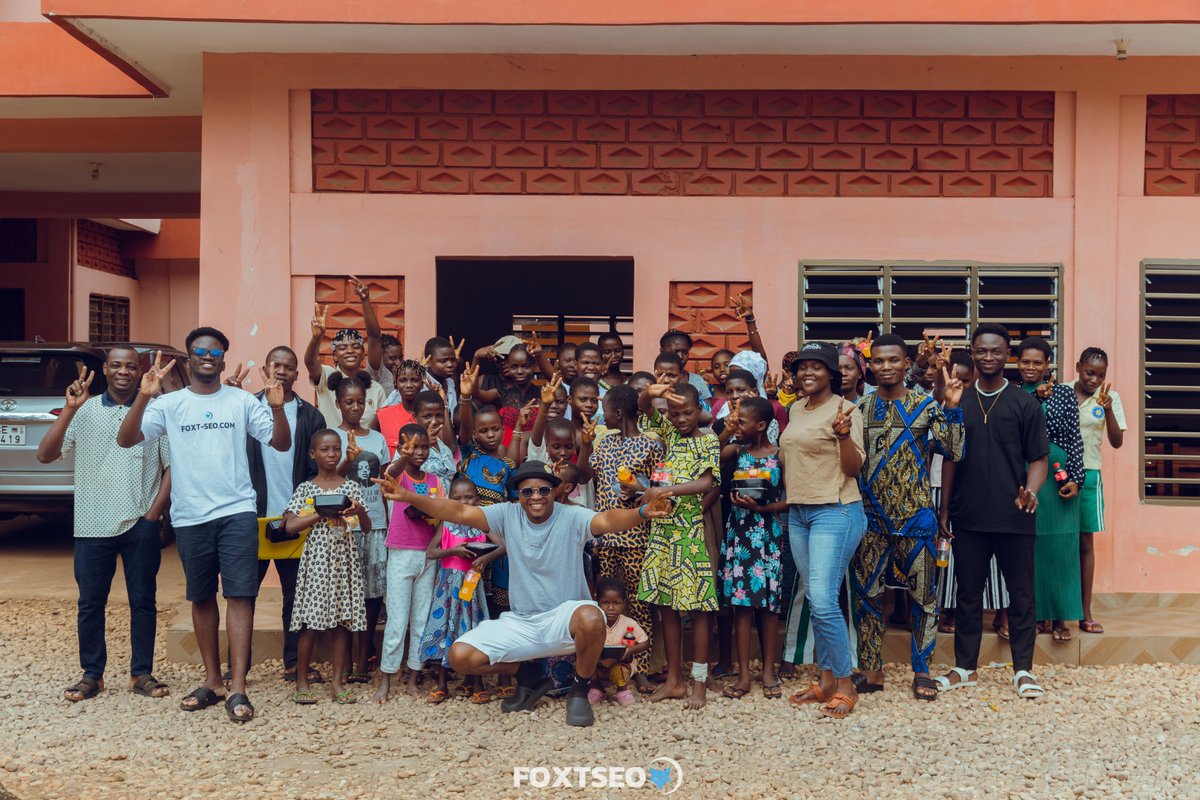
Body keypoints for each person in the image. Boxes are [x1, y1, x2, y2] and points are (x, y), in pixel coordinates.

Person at [375, 460, 674, 727]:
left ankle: (579, 691)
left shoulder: (573, 517)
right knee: (460, 655)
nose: (535, 498)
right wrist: (408, 496)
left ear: (555, 492)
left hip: (564, 618)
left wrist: (644, 511)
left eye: (543, 491)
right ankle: (529, 676)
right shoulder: (506, 514)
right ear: (517, 494)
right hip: (521, 622)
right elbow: (459, 510)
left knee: (590, 616)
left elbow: (609, 521)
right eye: (527, 492)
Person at [117, 327, 292, 723]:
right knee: (200, 597)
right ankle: (213, 681)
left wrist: (277, 408)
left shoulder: (242, 402)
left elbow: (280, 444)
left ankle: (238, 687)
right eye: (200, 350)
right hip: (191, 514)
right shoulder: (170, 404)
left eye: (215, 352)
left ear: (224, 361)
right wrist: (143, 396)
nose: (208, 356)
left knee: (240, 595)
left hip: (237, 512)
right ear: (189, 358)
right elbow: (127, 440)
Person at [38, 347, 172, 703]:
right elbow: (45, 455)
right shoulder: (85, 411)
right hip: (91, 523)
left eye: (131, 366)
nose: (124, 372)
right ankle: (92, 675)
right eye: (116, 365)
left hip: (139, 523)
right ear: (105, 370)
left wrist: (154, 514)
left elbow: (173, 466)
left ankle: (141, 673)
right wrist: (69, 410)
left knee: (143, 601)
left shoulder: (155, 412)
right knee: (90, 603)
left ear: (140, 370)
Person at [851, 334, 965, 701]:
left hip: (917, 519)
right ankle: (872, 670)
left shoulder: (926, 405)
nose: (886, 367)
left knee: (924, 598)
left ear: (905, 364)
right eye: (879, 361)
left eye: (893, 360)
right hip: (871, 519)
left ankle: (922, 670)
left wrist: (951, 408)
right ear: (871, 365)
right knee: (868, 598)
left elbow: (954, 450)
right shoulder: (860, 409)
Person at [938, 323, 1049, 699]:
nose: (988, 357)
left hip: (1014, 516)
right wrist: (944, 509)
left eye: (996, 351)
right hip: (968, 515)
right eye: (981, 351)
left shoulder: (1024, 403)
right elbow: (951, 458)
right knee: (968, 594)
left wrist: (1031, 491)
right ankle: (965, 667)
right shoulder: (959, 401)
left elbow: (1039, 458)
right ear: (972, 352)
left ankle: (1023, 671)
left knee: (1021, 595)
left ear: (1008, 356)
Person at [779, 341, 866, 720]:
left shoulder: (846, 410)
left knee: (824, 598)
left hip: (836, 510)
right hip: (799, 513)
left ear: (832, 374)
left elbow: (854, 469)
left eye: (816, 367)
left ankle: (847, 685)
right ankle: (827, 680)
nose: (807, 373)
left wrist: (844, 436)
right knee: (817, 599)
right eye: (802, 367)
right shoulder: (796, 408)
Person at [238, 345, 326, 683]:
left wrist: (299, 508)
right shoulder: (247, 407)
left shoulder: (310, 416)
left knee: (295, 594)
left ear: (296, 374)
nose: (282, 371)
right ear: (265, 367)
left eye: (289, 367)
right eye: (276, 365)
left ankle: (293, 663)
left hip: (294, 520)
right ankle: (240, 666)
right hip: (251, 517)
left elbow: (312, 470)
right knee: (245, 593)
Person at [637, 380, 721, 710]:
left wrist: (665, 492)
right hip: (662, 531)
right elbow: (642, 408)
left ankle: (698, 682)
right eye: (674, 413)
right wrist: (651, 394)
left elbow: (706, 482)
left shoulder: (709, 440)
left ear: (699, 409)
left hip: (690, 532)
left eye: (687, 412)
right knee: (665, 605)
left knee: (699, 608)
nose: (681, 418)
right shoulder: (670, 433)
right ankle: (674, 681)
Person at [582, 384, 664, 690]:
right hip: (606, 539)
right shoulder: (602, 445)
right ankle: (604, 667)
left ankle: (639, 667)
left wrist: (640, 490)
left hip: (637, 537)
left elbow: (661, 488)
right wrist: (586, 445)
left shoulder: (651, 446)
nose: (602, 415)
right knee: (607, 606)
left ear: (618, 412)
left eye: (605, 409)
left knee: (638, 603)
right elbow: (583, 475)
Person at [282, 429, 371, 705]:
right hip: (317, 562)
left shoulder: (351, 487)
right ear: (313, 454)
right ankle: (302, 682)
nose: (331, 454)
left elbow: (365, 528)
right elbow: (290, 526)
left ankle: (337, 682)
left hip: (344, 561)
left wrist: (358, 511)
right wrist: (319, 513)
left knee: (342, 623)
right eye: (324, 449)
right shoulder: (306, 489)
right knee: (309, 622)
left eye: (335, 449)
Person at [718, 397, 787, 700]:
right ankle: (744, 674)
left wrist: (765, 508)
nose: (736, 424)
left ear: (761, 425)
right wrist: (728, 431)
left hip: (767, 533)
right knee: (742, 606)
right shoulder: (735, 451)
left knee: (769, 607)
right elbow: (712, 456)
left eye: (741, 421)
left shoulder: (781, 456)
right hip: (740, 534)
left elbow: (791, 497)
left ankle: (768, 670)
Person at [1018, 337, 1085, 642]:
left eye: (1037, 362)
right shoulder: (1012, 393)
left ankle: (1061, 618)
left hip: (1060, 475)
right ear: (1016, 363)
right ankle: (1036, 615)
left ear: (1048, 365)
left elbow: (1074, 438)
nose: (1031, 368)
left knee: (1061, 547)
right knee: (1031, 548)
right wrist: (1036, 400)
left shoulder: (1065, 394)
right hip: (1026, 473)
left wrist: (1076, 478)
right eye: (1025, 362)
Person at [328, 372, 392, 683]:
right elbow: (328, 484)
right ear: (338, 404)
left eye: (360, 402)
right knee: (346, 594)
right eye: (348, 402)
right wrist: (346, 460)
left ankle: (365, 659)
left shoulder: (378, 439)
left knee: (372, 596)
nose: (355, 408)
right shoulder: (330, 437)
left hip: (375, 526)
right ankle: (346, 661)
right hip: (343, 528)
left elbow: (383, 485)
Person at [374, 424, 442, 702]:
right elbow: (388, 474)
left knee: (421, 619)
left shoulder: (436, 481)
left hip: (427, 554)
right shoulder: (398, 474)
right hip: (401, 552)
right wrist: (401, 456)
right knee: (397, 620)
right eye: (413, 447)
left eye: (425, 447)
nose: (420, 452)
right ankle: (386, 679)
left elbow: (441, 512)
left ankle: (413, 677)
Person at [417, 477, 499, 704]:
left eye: (469, 497)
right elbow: (431, 552)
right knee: (446, 630)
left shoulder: (483, 523)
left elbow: (503, 546)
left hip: (472, 586)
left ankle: (476, 683)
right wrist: (453, 551)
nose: (464, 502)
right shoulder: (446, 522)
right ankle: (442, 684)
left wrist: (486, 559)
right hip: (447, 587)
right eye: (457, 498)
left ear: (478, 499)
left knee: (473, 629)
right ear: (449, 500)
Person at [1072, 347, 1125, 633]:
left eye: (1100, 374)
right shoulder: (1062, 391)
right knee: (1055, 543)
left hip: (1090, 474)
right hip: (1059, 474)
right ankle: (1051, 612)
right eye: (1089, 372)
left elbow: (1117, 442)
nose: (1093, 379)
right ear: (1078, 367)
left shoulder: (1109, 398)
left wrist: (1107, 410)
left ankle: (1085, 611)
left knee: (1084, 543)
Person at [305, 302, 387, 428]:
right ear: (334, 355)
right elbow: (310, 362)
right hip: (331, 446)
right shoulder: (327, 377)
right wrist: (317, 337)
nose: (350, 351)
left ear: (363, 354)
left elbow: (381, 427)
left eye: (355, 347)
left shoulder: (376, 389)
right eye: (343, 348)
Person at [589, 577, 651, 705]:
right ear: (597, 602)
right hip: (598, 663)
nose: (611, 608)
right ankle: (596, 687)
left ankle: (622, 690)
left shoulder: (628, 623)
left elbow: (646, 642)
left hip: (620, 664)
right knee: (584, 660)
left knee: (621, 670)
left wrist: (631, 650)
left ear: (623, 603)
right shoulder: (593, 622)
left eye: (616, 603)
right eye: (605, 602)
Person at [351, 276, 401, 396]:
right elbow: (374, 335)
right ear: (380, 356)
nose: (398, 362)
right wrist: (365, 300)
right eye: (392, 358)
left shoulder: (403, 375)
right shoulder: (378, 371)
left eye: (400, 357)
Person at [375, 358, 426, 452]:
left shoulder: (430, 417)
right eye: (403, 380)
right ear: (395, 383)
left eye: (414, 380)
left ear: (422, 384)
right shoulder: (382, 416)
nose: (409, 385)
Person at [659, 330, 713, 410]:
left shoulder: (697, 380)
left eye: (685, 352)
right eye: (676, 351)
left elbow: (708, 411)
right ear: (662, 351)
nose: (680, 356)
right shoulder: (652, 381)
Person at [422, 336, 464, 423]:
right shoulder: (420, 384)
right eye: (443, 361)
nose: (450, 364)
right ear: (429, 362)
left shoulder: (449, 382)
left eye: (453, 360)